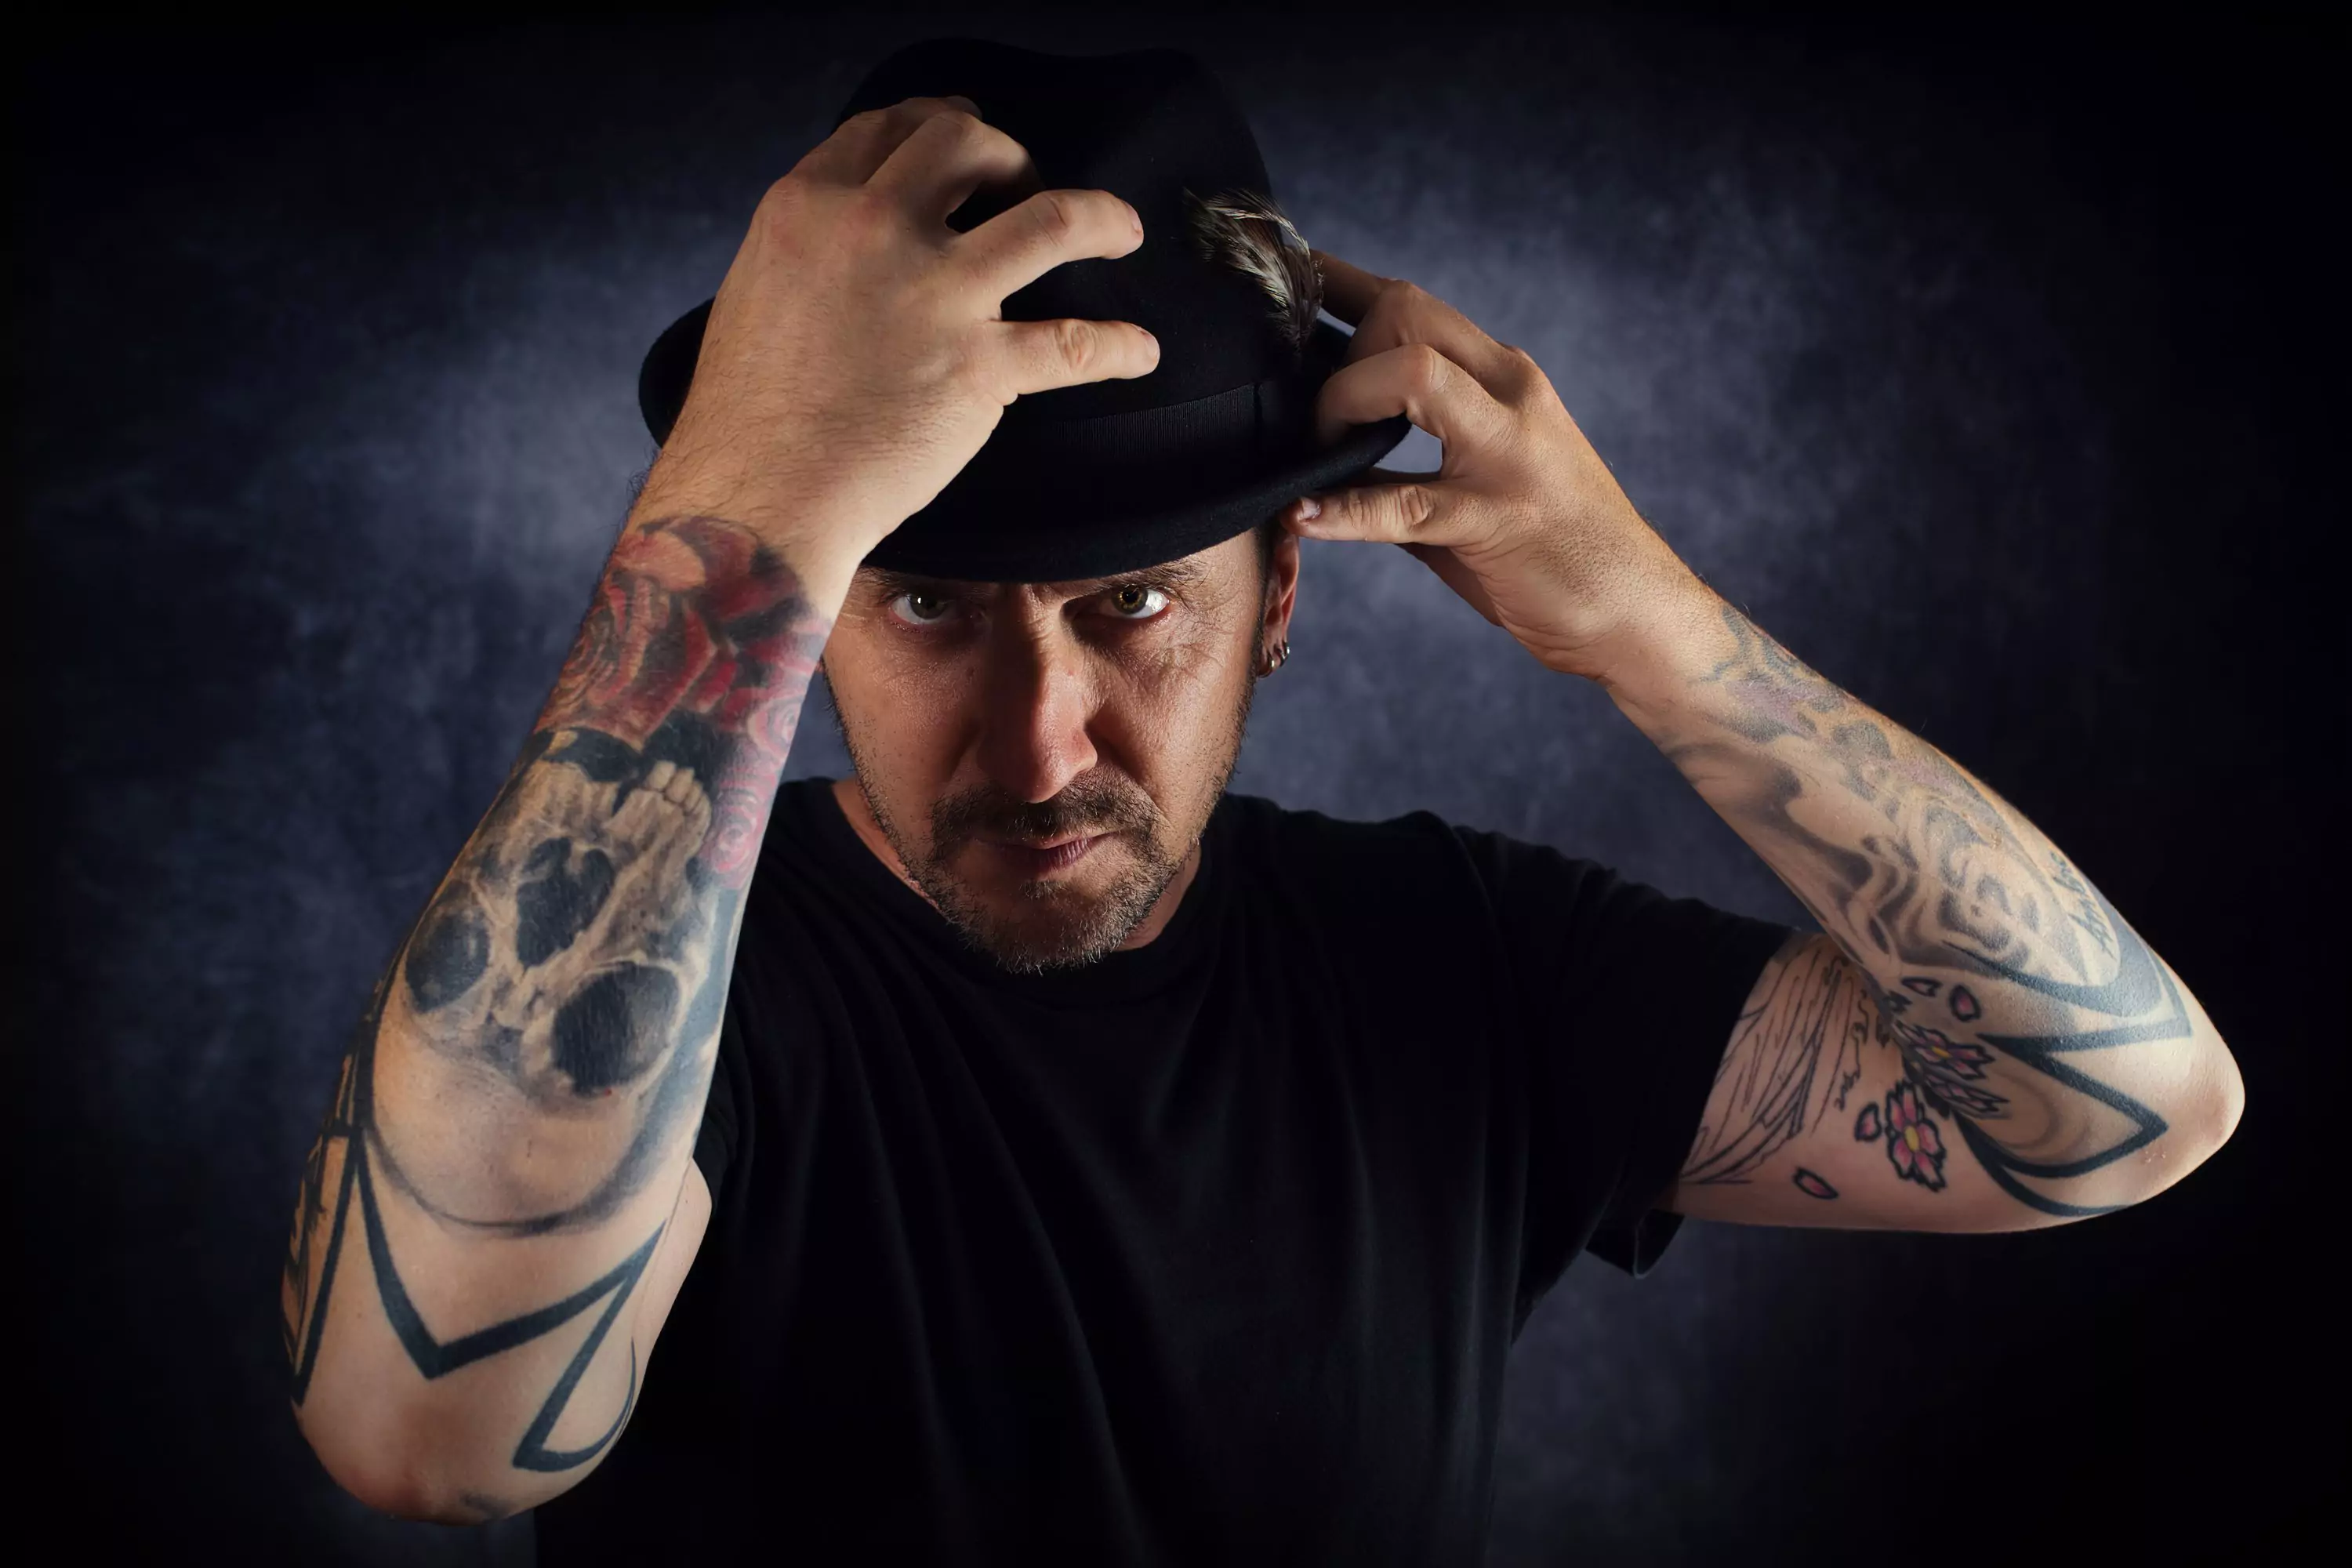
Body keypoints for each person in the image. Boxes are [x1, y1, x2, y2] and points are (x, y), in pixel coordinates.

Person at [278, 39, 2244, 1564]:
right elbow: (422, 1435)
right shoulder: (675, 1005)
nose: (1040, 748)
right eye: (928, 603)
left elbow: (2125, 1114)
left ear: (1281, 592)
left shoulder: (1457, 963)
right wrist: (748, 493)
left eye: (1133, 605)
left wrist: (1650, 623)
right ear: (820, 597)